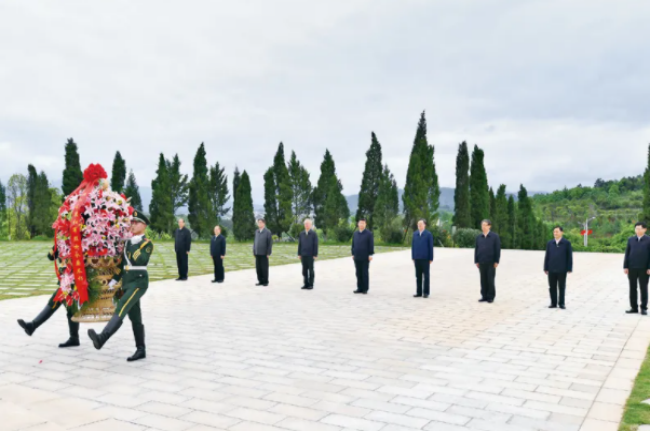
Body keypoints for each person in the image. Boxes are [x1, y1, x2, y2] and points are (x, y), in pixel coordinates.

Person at [87, 210, 154, 361]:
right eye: (132, 222)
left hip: (139, 282)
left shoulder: (146, 244)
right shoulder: (129, 242)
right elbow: (123, 264)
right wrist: (113, 281)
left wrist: (134, 243)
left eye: (136, 223)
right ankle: (141, 349)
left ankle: (102, 338)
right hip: (128, 282)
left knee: (122, 306)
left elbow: (139, 260)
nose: (132, 225)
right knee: (135, 317)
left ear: (144, 225)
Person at [16, 247, 80, 348]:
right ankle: (74, 338)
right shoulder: (62, 243)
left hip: (75, 280)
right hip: (66, 280)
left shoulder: (77, 242)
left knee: (60, 303)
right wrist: (56, 247)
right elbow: (50, 256)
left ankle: (33, 326)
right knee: (67, 307)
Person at [544, 226, 573, 309]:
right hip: (551, 268)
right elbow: (547, 256)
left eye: (557, 231)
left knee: (561, 286)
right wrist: (546, 267)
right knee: (552, 286)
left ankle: (561, 303)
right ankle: (553, 303)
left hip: (562, 269)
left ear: (561, 232)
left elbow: (569, 256)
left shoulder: (566, 243)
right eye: (554, 232)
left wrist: (569, 268)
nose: (555, 233)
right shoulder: (550, 243)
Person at [624, 222, 650, 315]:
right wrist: (625, 266)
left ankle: (643, 308)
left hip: (644, 269)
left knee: (643, 288)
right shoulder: (631, 239)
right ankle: (633, 307)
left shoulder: (648, 240)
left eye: (639, 228)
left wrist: (649, 267)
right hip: (632, 268)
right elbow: (627, 253)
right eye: (636, 229)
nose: (637, 230)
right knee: (632, 288)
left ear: (645, 229)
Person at [475, 219, 501, 303]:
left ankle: (490, 296)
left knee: (490, 279)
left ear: (489, 226)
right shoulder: (479, 237)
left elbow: (497, 249)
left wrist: (496, 261)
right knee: (483, 279)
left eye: (485, 225)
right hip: (481, 261)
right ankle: (484, 296)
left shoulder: (494, 237)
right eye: (482, 225)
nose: (483, 227)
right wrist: (476, 261)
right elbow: (476, 249)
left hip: (491, 262)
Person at [411, 219, 434, 298]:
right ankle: (419, 292)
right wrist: (413, 257)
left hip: (425, 258)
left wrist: (431, 258)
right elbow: (413, 246)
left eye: (421, 224)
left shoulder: (428, 234)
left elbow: (430, 247)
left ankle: (426, 292)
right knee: (418, 276)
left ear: (424, 225)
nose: (419, 225)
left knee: (426, 276)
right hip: (417, 258)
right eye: (418, 224)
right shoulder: (415, 234)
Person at [352, 218, 374, 294]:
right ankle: (359, 287)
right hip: (357, 256)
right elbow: (353, 244)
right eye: (360, 223)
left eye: (363, 223)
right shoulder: (355, 234)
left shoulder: (369, 234)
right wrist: (353, 253)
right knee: (358, 273)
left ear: (365, 224)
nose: (361, 225)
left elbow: (371, 245)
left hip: (365, 256)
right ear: (358, 224)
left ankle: (365, 288)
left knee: (364, 273)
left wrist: (370, 254)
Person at [297, 218, 318, 290]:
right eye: (305, 224)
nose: (306, 225)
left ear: (311, 225)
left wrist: (315, 254)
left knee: (311, 270)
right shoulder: (301, 234)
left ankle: (311, 284)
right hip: (303, 255)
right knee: (304, 270)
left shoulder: (313, 234)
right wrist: (299, 254)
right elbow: (300, 244)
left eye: (308, 224)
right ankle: (305, 284)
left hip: (310, 255)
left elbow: (315, 245)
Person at [253, 218, 273, 286]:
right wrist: (254, 251)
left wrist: (268, 253)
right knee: (258, 268)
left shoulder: (267, 232)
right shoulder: (257, 231)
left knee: (264, 268)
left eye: (261, 222)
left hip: (264, 253)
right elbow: (255, 242)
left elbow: (270, 243)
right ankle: (260, 281)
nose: (259, 224)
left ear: (264, 223)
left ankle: (265, 281)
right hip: (257, 253)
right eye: (258, 222)